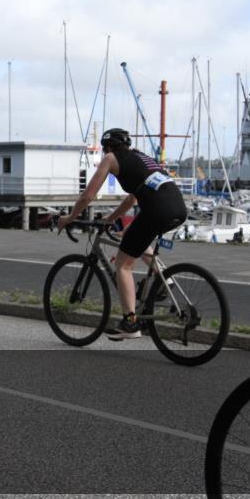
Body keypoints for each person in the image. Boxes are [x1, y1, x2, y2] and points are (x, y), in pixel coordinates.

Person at [57, 128, 187, 340]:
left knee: (123, 265)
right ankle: (164, 281)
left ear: (108, 147)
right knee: (133, 237)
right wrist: (110, 220)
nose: (103, 152)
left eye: (103, 148)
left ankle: (130, 322)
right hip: (178, 208)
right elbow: (131, 200)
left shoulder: (110, 158)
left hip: (156, 210)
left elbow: (88, 196)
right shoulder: (141, 158)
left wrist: (70, 218)